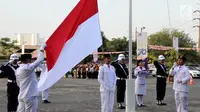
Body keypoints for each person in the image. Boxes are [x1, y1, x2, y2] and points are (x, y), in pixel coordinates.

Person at [15, 44, 46, 112]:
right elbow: (40, 60)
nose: (31, 60)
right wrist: (41, 49)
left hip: (22, 95)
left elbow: (18, 83)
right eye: (31, 59)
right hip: (30, 95)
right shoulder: (27, 68)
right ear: (27, 60)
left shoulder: (18, 69)